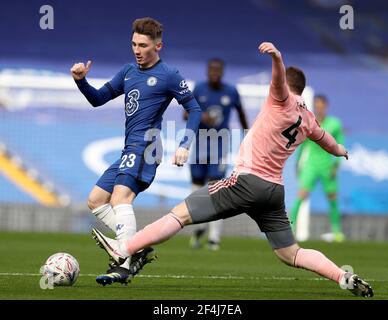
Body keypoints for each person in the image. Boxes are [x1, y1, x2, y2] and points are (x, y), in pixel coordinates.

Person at [91, 41, 373, 297]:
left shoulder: (281, 99)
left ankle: (125, 248)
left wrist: (277, 56)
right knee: (291, 254)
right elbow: (329, 142)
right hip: (273, 192)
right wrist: (341, 151)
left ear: (287, 86)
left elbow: (277, 78)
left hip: (247, 182)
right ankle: (342, 275)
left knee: (178, 214)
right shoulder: (309, 120)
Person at [71, 17, 201, 285]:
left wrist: (185, 145)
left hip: (147, 145)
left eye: (143, 45)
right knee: (95, 200)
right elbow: (98, 99)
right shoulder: (128, 71)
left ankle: (124, 263)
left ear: (159, 46)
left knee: (120, 199)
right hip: (129, 147)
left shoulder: (169, 75)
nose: (137, 50)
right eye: (133, 44)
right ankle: (136, 246)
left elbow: (196, 109)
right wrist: (82, 81)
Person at [187, 58, 248, 250]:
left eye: (217, 70)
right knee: (196, 190)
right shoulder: (199, 89)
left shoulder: (230, 92)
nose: (214, 73)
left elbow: (241, 113)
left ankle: (214, 237)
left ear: (222, 72)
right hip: (199, 143)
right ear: (207, 72)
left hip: (220, 145)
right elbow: (185, 113)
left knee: (216, 188)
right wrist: (201, 116)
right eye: (211, 70)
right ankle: (200, 226)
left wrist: (249, 136)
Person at [290, 95, 345, 242]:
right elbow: (302, 146)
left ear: (325, 106)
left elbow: (340, 144)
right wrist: (297, 164)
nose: (319, 108)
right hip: (310, 166)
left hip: (327, 166)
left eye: (321, 105)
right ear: (314, 106)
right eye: (316, 105)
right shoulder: (309, 122)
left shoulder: (335, 124)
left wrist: (336, 165)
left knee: (332, 198)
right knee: (301, 195)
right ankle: (291, 228)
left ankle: (337, 231)